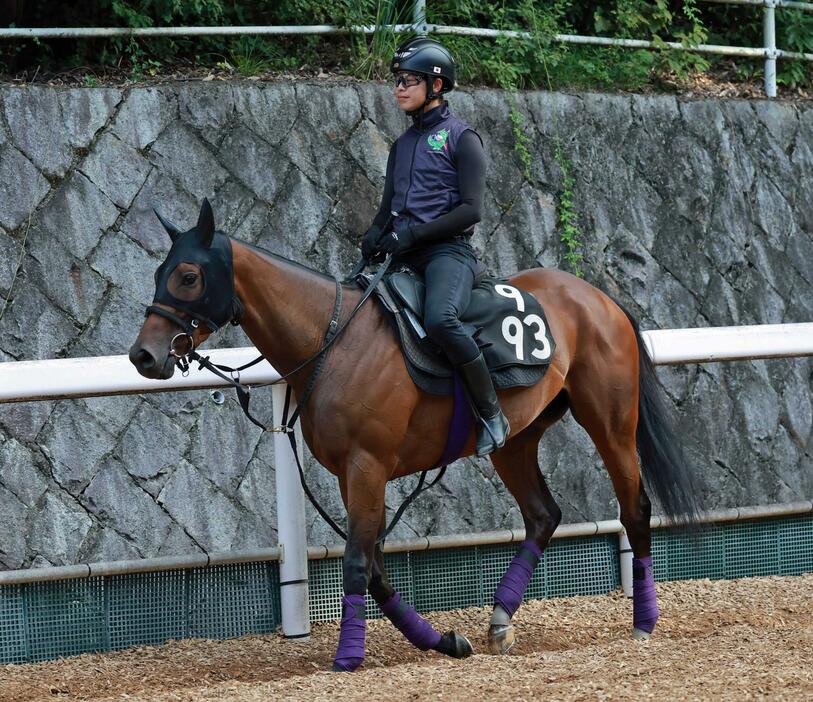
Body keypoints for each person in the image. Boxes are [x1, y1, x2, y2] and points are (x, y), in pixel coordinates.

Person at [362, 37, 510, 456]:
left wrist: (410, 236)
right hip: (405, 252)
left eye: (409, 80)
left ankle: (491, 412)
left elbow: (470, 211)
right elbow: (388, 208)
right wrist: (375, 234)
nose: (399, 89)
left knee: (442, 320)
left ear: (437, 86)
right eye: (397, 81)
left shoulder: (462, 139)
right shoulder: (402, 146)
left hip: (449, 253)